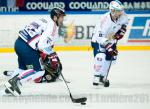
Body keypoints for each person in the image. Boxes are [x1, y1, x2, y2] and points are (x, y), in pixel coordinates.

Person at [4, 7, 66, 96]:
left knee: (22, 68)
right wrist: (52, 54)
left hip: (18, 43)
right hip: (27, 47)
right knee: (38, 71)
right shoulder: (52, 26)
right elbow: (41, 45)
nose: (62, 19)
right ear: (55, 17)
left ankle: (9, 87)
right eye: (61, 17)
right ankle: (14, 82)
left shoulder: (44, 19)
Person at [91, 0, 128, 86]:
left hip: (111, 39)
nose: (121, 12)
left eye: (121, 10)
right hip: (98, 40)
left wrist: (122, 31)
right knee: (101, 56)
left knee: (112, 57)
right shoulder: (104, 20)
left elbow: (125, 24)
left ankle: (102, 77)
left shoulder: (123, 16)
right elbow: (99, 36)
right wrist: (108, 46)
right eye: (119, 11)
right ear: (112, 11)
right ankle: (96, 76)